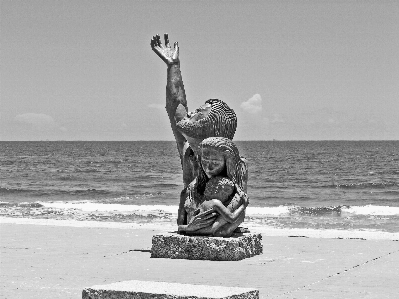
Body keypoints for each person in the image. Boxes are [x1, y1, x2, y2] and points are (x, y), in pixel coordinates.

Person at [151, 34, 248, 235]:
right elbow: (175, 107)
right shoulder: (190, 152)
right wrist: (173, 66)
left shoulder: (233, 164)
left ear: (209, 125)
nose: (192, 113)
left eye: (199, 113)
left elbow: (239, 205)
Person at [178, 137, 248, 237]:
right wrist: (188, 227)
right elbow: (180, 227)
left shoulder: (232, 190)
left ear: (227, 163)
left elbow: (237, 217)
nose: (208, 168)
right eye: (205, 161)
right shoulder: (190, 190)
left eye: (215, 163)